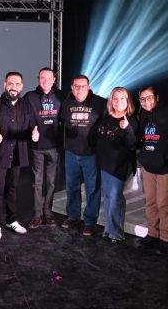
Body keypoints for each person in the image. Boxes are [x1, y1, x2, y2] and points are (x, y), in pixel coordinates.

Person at [0, 71, 38, 241]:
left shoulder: (26, 105)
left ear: (21, 86)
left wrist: (34, 134)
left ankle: (11, 220)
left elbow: (31, 126)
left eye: (17, 84)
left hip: (17, 154)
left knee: (12, 189)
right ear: (5, 85)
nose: (13, 87)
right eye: (10, 84)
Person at [61, 74, 107, 236]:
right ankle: (73, 216)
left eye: (83, 86)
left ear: (88, 87)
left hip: (91, 154)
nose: (80, 89)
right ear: (72, 88)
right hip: (71, 152)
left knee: (92, 188)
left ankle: (90, 221)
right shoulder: (66, 103)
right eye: (76, 86)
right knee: (71, 186)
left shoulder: (100, 103)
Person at [137, 86, 168, 254]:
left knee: (163, 204)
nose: (146, 102)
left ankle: (165, 238)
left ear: (157, 97)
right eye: (142, 99)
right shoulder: (143, 115)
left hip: (166, 168)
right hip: (148, 167)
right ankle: (152, 233)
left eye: (149, 98)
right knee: (150, 202)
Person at [96, 87, 137, 243]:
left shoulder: (131, 120)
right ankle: (109, 229)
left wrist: (127, 129)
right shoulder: (107, 116)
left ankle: (116, 233)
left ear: (127, 101)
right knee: (108, 197)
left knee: (114, 198)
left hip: (119, 166)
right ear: (111, 100)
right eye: (115, 98)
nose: (118, 101)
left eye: (122, 98)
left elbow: (132, 145)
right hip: (105, 164)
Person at [25, 67, 64, 229]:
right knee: (37, 183)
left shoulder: (61, 96)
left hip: (54, 146)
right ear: (38, 79)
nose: (46, 81)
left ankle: (48, 213)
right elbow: (23, 118)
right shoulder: (30, 97)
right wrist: (30, 132)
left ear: (54, 79)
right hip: (36, 147)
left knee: (52, 182)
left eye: (49, 78)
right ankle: (37, 215)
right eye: (42, 77)